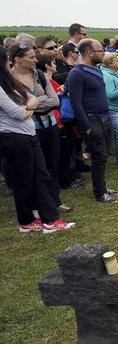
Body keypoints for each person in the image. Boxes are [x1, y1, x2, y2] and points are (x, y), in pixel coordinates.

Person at [0, 48, 76, 233]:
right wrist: (29, 106)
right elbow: (20, 112)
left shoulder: (9, 83)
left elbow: (33, 99)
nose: (9, 63)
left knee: (39, 175)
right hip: (14, 137)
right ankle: (31, 221)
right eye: (6, 60)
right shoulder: (2, 86)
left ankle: (44, 219)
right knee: (25, 180)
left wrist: (30, 105)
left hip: (28, 134)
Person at [9, 43, 68, 213]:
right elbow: (14, 106)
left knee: (52, 164)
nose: (36, 59)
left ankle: (54, 200)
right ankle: (35, 204)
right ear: (18, 60)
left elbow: (55, 101)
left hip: (49, 125)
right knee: (33, 168)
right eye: (31, 57)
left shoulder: (40, 75)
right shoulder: (8, 79)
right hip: (27, 129)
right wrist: (37, 102)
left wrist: (31, 104)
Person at [66, 39, 118, 203]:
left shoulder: (95, 70)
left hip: (104, 117)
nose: (102, 54)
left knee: (104, 155)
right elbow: (75, 102)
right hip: (92, 119)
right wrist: (86, 126)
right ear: (89, 52)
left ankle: (102, 187)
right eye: (99, 51)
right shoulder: (77, 73)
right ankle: (100, 193)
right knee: (98, 155)